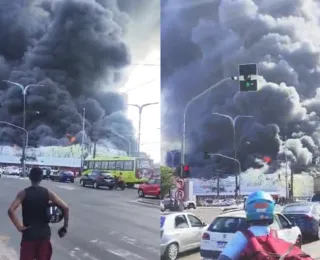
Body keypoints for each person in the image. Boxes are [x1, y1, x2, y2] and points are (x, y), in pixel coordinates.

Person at [8, 167, 69, 260]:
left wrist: (19, 227)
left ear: (29, 177)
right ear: (41, 178)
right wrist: (64, 227)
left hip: (29, 235)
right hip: (44, 235)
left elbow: (11, 210)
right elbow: (66, 208)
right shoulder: (48, 193)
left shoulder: (23, 193)